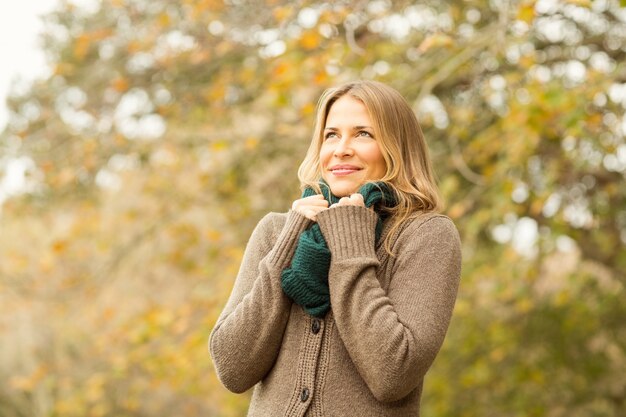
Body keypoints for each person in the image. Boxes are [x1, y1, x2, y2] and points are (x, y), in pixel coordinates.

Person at [209, 80, 462, 416]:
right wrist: (286, 248)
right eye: (331, 135)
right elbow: (232, 367)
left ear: (397, 148)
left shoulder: (426, 236)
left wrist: (350, 244)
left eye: (363, 134)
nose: (341, 149)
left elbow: (393, 374)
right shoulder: (277, 231)